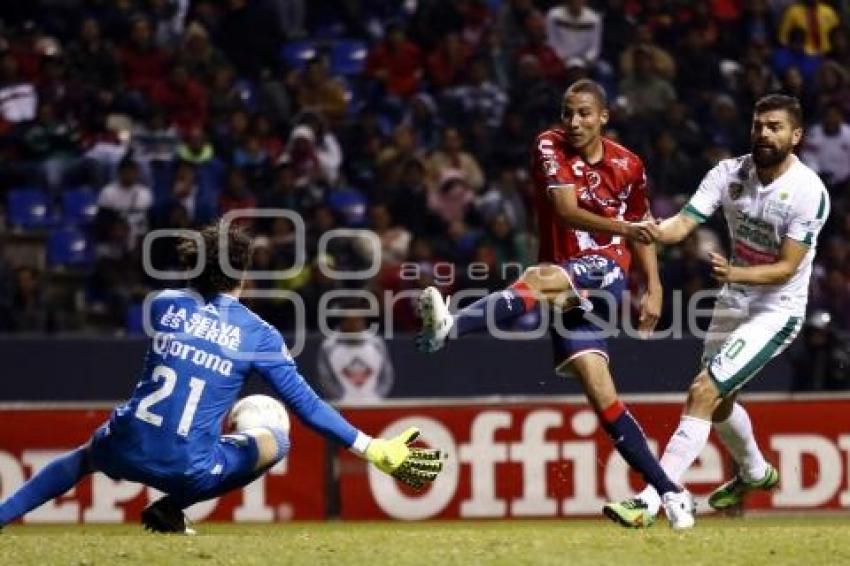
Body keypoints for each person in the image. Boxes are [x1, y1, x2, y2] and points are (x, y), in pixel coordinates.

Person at [0, 223, 443, 534]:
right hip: (189, 470)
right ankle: (173, 506)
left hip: (126, 442)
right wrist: (372, 447)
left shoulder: (164, 304)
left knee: (83, 459)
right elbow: (308, 407)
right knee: (272, 423)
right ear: (243, 273)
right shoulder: (259, 334)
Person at [416, 79, 695, 529]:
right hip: (565, 280)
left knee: (538, 278)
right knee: (600, 391)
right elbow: (566, 211)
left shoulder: (630, 165)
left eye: (584, 113)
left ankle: (450, 328)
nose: (574, 122)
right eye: (567, 113)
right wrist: (627, 229)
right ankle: (670, 491)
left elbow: (641, 224)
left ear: (604, 116)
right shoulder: (549, 145)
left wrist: (655, 285)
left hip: (606, 274)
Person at [613, 94, 830, 520]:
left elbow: (786, 267)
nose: (764, 134)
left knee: (703, 391)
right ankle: (754, 470)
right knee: (721, 401)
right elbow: (683, 223)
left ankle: (652, 499)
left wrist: (736, 274)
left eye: (775, 127)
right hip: (734, 300)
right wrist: (649, 231)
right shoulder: (728, 173)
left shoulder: (808, 193)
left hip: (776, 308)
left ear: (796, 136)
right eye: (759, 125)